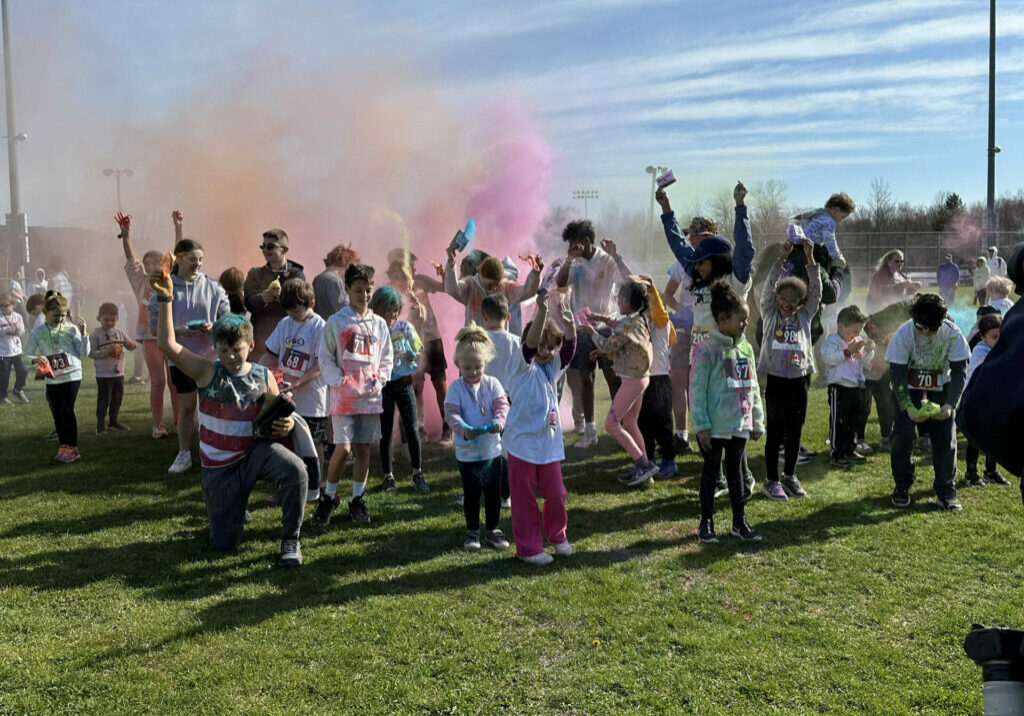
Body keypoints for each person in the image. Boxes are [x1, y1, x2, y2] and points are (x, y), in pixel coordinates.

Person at [151, 269, 307, 566]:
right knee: (224, 544)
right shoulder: (207, 371)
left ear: (250, 347)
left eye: (236, 350)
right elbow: (167, 345)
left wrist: (285, 423)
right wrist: (165, 297)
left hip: (253, 455)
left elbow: (276, 414)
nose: (230, 356)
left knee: (296, 470)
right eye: (223, 350)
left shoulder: (263, 375)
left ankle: (291, 540)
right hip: (219, 468)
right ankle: (234, 505)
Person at [658, 181, 758, 498]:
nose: (695, 265)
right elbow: (679, 246)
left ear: (715, 259)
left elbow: (745, 249)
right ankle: (718, 478)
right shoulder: (699, 277)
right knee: (706, 417)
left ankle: (742, 475)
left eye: (701, 260)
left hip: (729, 357)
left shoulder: (735, 278)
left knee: (729, 418)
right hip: (702, 357)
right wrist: (666, 210)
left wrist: (740, 206)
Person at [312, 264, 393, 528]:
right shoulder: (336, 322)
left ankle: (357, 499)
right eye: (358, 290)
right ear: (347, 290)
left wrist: (379, 381)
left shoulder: (379, 324)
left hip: (369, 398)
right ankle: (329, 496)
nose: (365, 295)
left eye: (369, 290)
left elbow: (386, 358)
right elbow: (324, 357)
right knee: (343, 448)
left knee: (363, 449)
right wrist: (339, 381)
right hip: (343, 398)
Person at [503, 291, 577, 565]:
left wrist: (569, 324)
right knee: (524, 499)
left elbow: (567, 351)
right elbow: (531, 346)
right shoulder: (522, 365)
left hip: (547, 446)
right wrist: (542, 312)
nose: (546, 352)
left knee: (556, 493)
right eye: (543, 347)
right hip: (522, 444)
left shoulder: (551, 369)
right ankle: (529, 549)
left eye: (551, 347)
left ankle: (557, 535)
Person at [148, 238, 231, 473]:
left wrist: (213, 326)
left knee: (216, 406)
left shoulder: (214, 287)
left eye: (201, 260)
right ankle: (184, 453)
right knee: (186, 408)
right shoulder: (164, 288)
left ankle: (218, 450)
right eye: (193, 259)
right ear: (179, 258)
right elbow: (155, 329)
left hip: (212, 358)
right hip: (181, 357)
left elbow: (228, 320)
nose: (198, 264)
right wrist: (180, 331)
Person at [690, 281, 764, 544]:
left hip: (739, 425)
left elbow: (752, 386)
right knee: (711, 473)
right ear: (723, 319)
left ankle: (739, 522)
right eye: (741, 319)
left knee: (736, 474)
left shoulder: (745, 349)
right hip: (714, 426)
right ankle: (706, 523)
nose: (745, 323)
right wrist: (701, 425)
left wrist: (756, 421)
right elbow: (696, 391)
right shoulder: (706, 349)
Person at [886, 293, 970, 510]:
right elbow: (897, 372)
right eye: (919, 326)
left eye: (929, 329)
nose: (923, 332)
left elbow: (960, 370)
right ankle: (902, 486)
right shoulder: (904, 333)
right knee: (903, 438)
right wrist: (907, 406)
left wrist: (950, 404)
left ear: (941, 322)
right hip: (909, 389)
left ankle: (946, 491)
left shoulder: (953, 334)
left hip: (940, 390)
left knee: (945, 441)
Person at [758, 238, 821, 500]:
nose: (787, 303)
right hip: (776, 379)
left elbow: (816, 292)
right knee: (775, 430)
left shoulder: (804, 317)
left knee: (795, 428)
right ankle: (771, 479)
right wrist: (780, 260)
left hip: (800, 378)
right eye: (782, 298)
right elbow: (765, 291)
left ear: (801, 302)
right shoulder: (770, 314)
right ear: (777, 299)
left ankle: (790, 476)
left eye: (793, 300)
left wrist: (810, 259)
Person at [583, 276, 656, 487]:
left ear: (625, 301)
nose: (617, 301)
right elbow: (619, 327)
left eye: (619, 298)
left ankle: (643, 463)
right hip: (641, 379)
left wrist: (592, 332)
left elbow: (608, 345)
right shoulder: (638, 319)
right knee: (630, 423)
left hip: (632, 382)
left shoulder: (628, 325)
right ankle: (645, 468)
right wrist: (601, 318)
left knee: (611, 424)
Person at [261, 279, 329, 503]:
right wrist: (256, 372)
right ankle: (287, 489)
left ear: (311, 302)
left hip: (312, 398)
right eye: (287, 309)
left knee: (312, 443)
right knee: (286, 443)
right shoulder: (285, 323)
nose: (291, 313)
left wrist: (298, 383)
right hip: (286, 396)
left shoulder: (320, 327)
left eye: (296, 309)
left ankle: (314, 490)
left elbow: (320, 365)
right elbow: (271, 354)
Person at [554, 219, 621, 449]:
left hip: (605, 325)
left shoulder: (606, 260)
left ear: (585, 241)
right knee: (585, 377)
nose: (572, 247)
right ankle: (590, 431)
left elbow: (624, 281)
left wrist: (618, 256)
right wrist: (569, 258)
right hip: (582, 328)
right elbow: (560, 283)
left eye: (574, 243)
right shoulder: (576, 262)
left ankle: (619, 425)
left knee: (613, 376)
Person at [444, 325, 511, 550]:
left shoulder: (493, 384)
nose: (473, 372)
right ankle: (472, 532)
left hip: (492, 451)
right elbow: (451, 414)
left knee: (494, 494)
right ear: (458, 366)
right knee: (471, 495)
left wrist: (499, 422)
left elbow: (503, 405)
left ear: (485, 364)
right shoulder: (455, 389)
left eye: (478, 367)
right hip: (467, 454)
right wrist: (464, 429)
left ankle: (492, 529)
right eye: (467, 367)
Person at [119, 211, 181, 437]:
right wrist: (126, 236)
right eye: (147, 262)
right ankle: (158, 424)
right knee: (158, 380)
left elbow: (179, 253)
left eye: (155, 260)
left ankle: (177, 420)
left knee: (175, 381)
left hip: (171, 335)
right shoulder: (141, 282)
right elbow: (130, 260)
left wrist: (177, 226)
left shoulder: (170, 279)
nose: (150, 264)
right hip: (149, 335)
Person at [387, 251, 452, 445]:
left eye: (414, 266)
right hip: (409, 342)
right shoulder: (390, 290)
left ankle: (448, 427)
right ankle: (419, 427)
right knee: (416, 385)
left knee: (440, 381)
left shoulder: (421, 281)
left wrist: (445, 274)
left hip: (432, 338)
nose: (414, 269)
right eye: (410, 266)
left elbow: (446, 288)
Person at [369, 285, 429, 494]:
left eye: (395, 310)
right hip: (384, 384)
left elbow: (418, 350)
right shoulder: (372, 329)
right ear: (376, 308)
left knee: (411, 428)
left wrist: (413, 355)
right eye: (387, 310)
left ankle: (418, 473)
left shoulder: (404, 327)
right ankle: (388, 476)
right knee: (385, 431)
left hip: (404, 382)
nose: (391, 315)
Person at [22, 291, 89, 462]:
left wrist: (84, 335)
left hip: (72, 374)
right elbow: (25, 355)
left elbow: (84, 352)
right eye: (56, 315)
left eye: (63, 315)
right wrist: (36, 359)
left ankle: (73, 448)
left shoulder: (72, 328)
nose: (60, 319)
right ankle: (64, 446)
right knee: (58, 413)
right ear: (46, 313)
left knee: (67, 410)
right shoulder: (38, 332)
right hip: (52, 378)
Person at [820, 306, 874, 468]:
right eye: (854, 331)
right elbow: (829, 359)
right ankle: (836, 453)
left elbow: (866, 364)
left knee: (854, 421)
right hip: (839, 387)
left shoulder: (857, 342)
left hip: (856, 387)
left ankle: (850, 449)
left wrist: (868, 352)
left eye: (859, 332)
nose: (856, 335)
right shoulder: (832, 341)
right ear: (841, 326)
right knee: (839, 420)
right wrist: (847, 351)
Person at [480, 294, 518, 507]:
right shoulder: (515, 342)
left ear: (484, 317)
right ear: (508, 316)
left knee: (485, 447)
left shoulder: (480, 340)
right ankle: (505, 494)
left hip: (484, 399)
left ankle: (479, 490)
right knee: (505, 448)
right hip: (508, 399)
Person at [243, 229, 305, 361]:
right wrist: (262, 298)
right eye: (263, 246)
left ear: (284, 250)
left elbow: (301, 304)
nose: (265, 250)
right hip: (260, 342)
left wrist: (282, 298)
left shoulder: (296, 275)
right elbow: (247, 302)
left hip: (288, 340)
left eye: (270, 247)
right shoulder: (255, 273)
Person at [963, 314, 1008, 487]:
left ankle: (991, 471)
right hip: (977, 400)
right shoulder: (980, 352)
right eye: (993, 337)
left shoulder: (1001, 349)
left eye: (1000, 336)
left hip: (995, 400)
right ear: (983, 337)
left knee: (994, 436)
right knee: (975, 438)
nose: (998, 340)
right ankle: (971, 473)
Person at [445, 249, 541, 329]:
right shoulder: (470, 285)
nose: (493, 288)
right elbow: (452, 289)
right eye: (489, 284)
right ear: (480, 274)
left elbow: (527, 291)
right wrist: (451, 264)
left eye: (497, 284)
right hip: (474, 345)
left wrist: (536, 272)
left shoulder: (505, 288)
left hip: (497, 345)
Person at [861, 302, 909, 454]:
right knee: (882, 401)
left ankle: (893, 434)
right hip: (877, 365)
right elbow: (868, 323)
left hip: (892, 364)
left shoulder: (910, 320)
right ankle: (885, 437)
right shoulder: (895, 311)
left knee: (893, 400)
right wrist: (881, 340)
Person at [88, 302, 136, 433]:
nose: (109, 323)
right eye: (106, 320)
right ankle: (100, 426)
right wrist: (106, 352)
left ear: (117, 319)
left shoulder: (120, 333)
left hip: (118, 373)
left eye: (112, 320)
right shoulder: (95, 335)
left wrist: (131, 345)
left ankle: (113, 422)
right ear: (99, 319)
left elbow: (129, 344)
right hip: (104, 375)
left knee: (117, 399)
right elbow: (91, 353)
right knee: (104, 400)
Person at [663, 257, 694, 454]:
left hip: (708, 329)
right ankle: (682, 435)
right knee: (678, 382)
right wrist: (684, 312)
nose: (694, 239)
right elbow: (667, 295)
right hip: (683, 328)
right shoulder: (682, 262)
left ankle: (705, 434)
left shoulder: (716, 260)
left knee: (701, 384)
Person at [789, 192, 856, 269]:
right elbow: (830, 240)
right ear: (836, 210)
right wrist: (837, 256)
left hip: (797, 245)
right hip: (809, 250)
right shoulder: (829, 221)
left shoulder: (818, 213)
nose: (841, 220)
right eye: (842, 217)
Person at [313, 243, 358, 321]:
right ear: (348, 264)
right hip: (334, 329)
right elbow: (345, 309)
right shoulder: (335, 281)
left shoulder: (317, 279)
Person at [866, 250, 920, 314]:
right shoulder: (882, 274)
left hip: (892, 310)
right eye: (896, 261)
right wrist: (901, 286)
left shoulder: (898, 275)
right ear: (889, 262)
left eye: (902, 261)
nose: (900, 264)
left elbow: (899, 295)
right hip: (878, 311)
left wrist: (910, 290)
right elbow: (881, 292)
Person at [0, 293, 29, 404]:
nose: (3, 308)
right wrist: (7, 329)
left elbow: (22, 332)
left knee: (23, 370)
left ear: (13, 305)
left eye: (6, 305)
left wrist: (16, 330)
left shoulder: (18, 317)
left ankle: (18, 389)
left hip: (17, 351)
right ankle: (2, 396)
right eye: (1, 306)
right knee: (4, 376)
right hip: (3, 352)